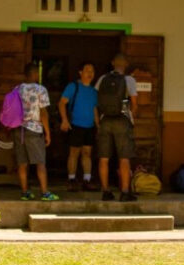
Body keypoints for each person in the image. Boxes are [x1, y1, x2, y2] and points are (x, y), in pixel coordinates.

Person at [95, 53, 139, 202]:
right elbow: (134, 102)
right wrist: (131, 118)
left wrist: (98, 121)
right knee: (124, 157)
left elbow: (96, 102)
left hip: (105, 120)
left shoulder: (102, 79)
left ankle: (105, 191)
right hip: (122, 120)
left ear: (112, 63)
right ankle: (125, 191)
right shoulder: (129, 80)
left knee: (104, 158)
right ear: (126, 64)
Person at [14, 62, 59, 201]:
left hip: (18, 130)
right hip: (34, 130)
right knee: (40, 163)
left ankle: (25, 192)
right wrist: (48, 133)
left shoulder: (17, 89)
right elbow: (43, 113)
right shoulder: (40, 90)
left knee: (22, 163)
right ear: (35, 74)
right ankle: (45, 192)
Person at [59, 61, 97, 192]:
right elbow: (62, 103)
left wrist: (98, 125)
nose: (90, 73)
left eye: (92, 71)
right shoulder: (73, 86)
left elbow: (95, 109)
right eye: (87, 70)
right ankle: (71, 179)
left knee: (87, 153)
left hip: (89, 126)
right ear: (80, 72)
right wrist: (64, 120)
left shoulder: (93, 91)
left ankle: (87, 180)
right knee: (74, 153)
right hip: (75, 124)